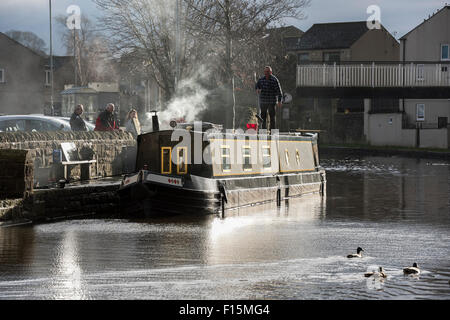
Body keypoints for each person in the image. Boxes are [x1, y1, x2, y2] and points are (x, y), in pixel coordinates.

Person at [255, 66, 283, 130]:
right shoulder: (261, 79)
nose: (266, 73)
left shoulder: (274, 80)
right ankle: (263, 130)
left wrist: (279, 101)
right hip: (263, 101)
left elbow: (279, 91)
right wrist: (257, 89)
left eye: (267, 72)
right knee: (263, 117)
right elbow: (256, 86)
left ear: (271, 72)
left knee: (272, 117)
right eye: (265, 72)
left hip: (271, 101)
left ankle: (272, 131)